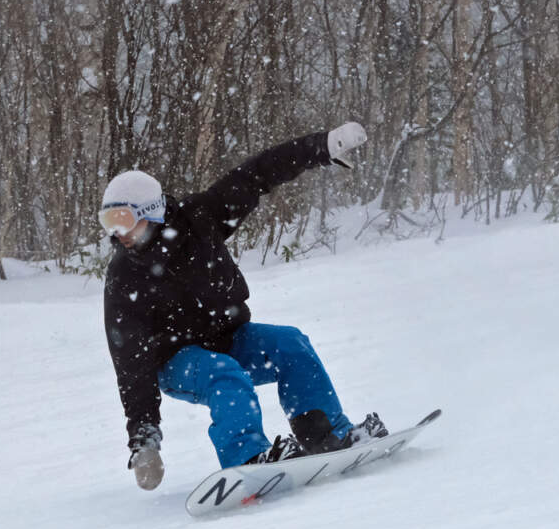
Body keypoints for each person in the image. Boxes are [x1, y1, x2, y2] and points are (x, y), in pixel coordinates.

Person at [100, 122, 388, 491]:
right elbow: (130, 362)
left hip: (229, 337)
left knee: (291, 345)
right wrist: (144, 438)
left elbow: (259, 173)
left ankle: (326, 434)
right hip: (175, 362)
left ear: (152, 211)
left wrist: (321, 147)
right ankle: (250, 459)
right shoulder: (125, 276)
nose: (117, 233)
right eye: (108, 222)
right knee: (224, 374)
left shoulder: (200, 217)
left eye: (122, 219)